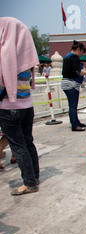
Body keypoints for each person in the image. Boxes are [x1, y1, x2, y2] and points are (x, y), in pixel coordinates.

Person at [0, 17, 40, 195]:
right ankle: (35, 176)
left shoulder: (5, 55)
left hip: (9, 107)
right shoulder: (26, 57)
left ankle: (29, 182)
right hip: (27, 106)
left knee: (18, 146)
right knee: (28, 141)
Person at [61, 40, 86, 132]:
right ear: (78, 49)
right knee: (73, 106)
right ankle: (75, 125)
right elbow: (79, 72)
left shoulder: (67, 57)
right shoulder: (74, 57)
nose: (81, 55)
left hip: (66, 83)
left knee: (73, 105)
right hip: (71, 84)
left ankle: (76, 121)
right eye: (81, 52)